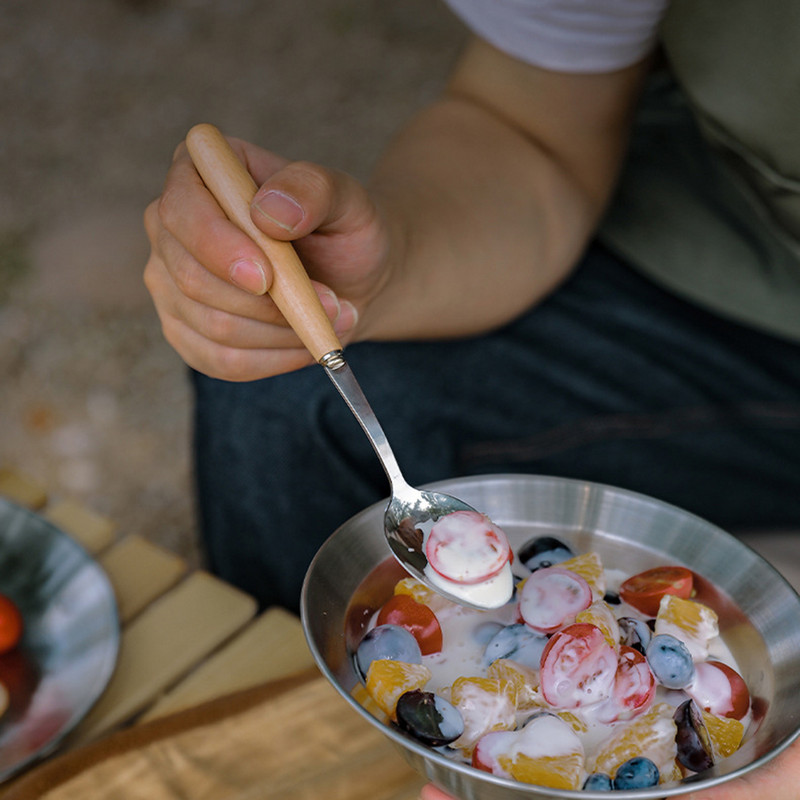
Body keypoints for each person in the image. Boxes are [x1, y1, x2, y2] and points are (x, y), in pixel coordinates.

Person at [144, 0, 800, 796]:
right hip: (708, 249)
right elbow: (528, 122)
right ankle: (287, 748)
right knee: (283, 393)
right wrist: (389, 270)